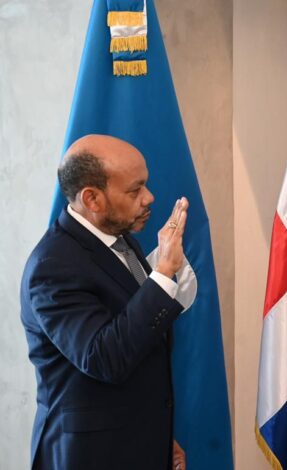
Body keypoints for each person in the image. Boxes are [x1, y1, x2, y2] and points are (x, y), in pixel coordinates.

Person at [20, 134, 189, 470]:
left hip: (137, 444)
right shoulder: (52, 267)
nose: (149, 197)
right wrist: (164, 272)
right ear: (92, 199)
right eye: (135, 191)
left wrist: (157, 436)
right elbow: (105, 358)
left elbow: (140, 342)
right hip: (91, 457)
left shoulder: (120, 240)